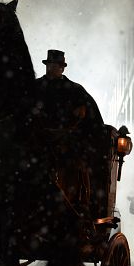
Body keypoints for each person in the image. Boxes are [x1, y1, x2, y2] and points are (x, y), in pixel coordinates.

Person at [34, 49, 106, 209]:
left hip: (66, 140)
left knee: (77, 163)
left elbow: (89, 115)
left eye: (55, 65)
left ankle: (82, 201)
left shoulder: (75, 90)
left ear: (62, 67)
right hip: (38, 137)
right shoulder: (35, 87)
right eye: (50, 64)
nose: (51, 68)